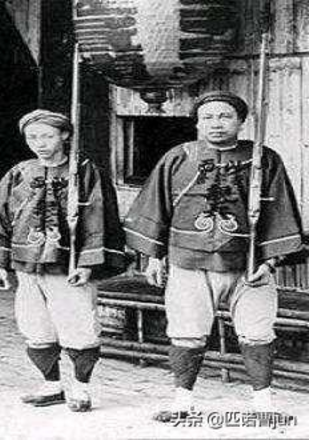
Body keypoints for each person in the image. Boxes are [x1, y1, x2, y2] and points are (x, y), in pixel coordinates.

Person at [123, 91, 305, 421]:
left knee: (258, 332)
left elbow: (280, 211)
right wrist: (153, 256)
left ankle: (263, 405)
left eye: (225, 116)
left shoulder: (264, 158)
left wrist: (270, 262)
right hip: (188, 262)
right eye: (208, 117)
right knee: (186, 331)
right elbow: (155, 207)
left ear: (240, 121)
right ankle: (183, 402)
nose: (216, 123)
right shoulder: (178, 157)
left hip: (249, 265)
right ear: (196, 123)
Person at [0, 109, 127, 412]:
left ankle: (81, 388)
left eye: (47, 136)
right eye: (33, 137)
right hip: (27, 264)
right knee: (35, 325)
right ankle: (51, 384)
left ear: (65, 136)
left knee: (78, 324)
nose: (39, 143)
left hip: (68, 266)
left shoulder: (84, 172)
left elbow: (99, 217)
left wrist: (86, 263)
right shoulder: (20, 172)